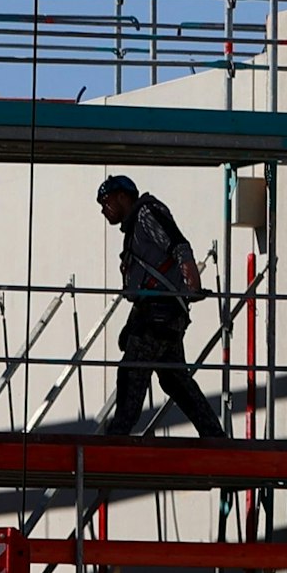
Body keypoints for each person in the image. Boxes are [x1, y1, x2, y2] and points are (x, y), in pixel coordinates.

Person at [97, 175, 227, 437]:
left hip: (158, 315)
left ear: (123, 197)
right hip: (160, 314)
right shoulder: (136, 225)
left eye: (107, 202)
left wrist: (193, 284)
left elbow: (179, 245)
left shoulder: (146, 214)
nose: (104, 210)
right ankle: (214, 435)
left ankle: (117, 437)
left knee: (132, 372)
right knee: (174, 379)